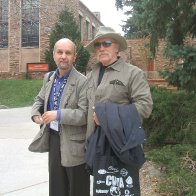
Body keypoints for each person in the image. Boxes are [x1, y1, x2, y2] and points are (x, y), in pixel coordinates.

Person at [84, 26, 153, 195]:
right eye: (97, 45)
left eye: (106, 43)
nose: (101, 48)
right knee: (101, 190)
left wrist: (107, 117)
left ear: (117, 48)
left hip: (122, 145)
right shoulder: (91, 74)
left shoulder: (133, 73)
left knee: (124, 191)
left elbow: (145, 106)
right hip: (98, 144)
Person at [29, 38, 90, 196]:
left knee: (77, 189)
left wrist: (58, 114)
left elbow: (84, 114)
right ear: (54, 55)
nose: (63, 56)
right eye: (60, 52)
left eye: (68, 53)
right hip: (54, 139)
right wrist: (36, 114)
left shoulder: (83, 82)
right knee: (57, 188)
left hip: (75, 145)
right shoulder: (49, 77)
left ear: (74, 57)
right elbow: (40, 100)